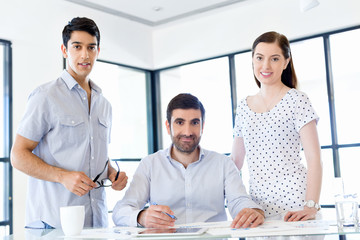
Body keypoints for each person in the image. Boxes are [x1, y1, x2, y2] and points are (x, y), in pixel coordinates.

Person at [10, 17, 128, 229]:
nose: (85, 54)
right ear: (65, 51)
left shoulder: (104, 104)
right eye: (77, 47)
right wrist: (62, 177)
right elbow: (18, 155)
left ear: (98, 52)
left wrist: (112, 174)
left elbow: (95, 156)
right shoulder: (45, 96)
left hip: (96, 223)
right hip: (53, 224)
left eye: (91, 47)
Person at [112, 93, 265, 229]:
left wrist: (252, 212)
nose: (187, 132)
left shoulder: (223, 164)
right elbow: (121, 211)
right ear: (168, 126)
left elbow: (239, 200)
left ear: (202, 126)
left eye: (194, 123)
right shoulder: (149, 165)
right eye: (179, 122)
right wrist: (141, 217)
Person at [231, 31, 322, 222]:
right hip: (258, 209)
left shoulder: (297, 99)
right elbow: (235, 162)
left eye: (274, 58)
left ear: (286, 62)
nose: (265, 65)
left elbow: (314, 158)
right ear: (252, 61)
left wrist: (311, 206)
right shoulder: (243, 106)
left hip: (296, 204)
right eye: (259, 58)